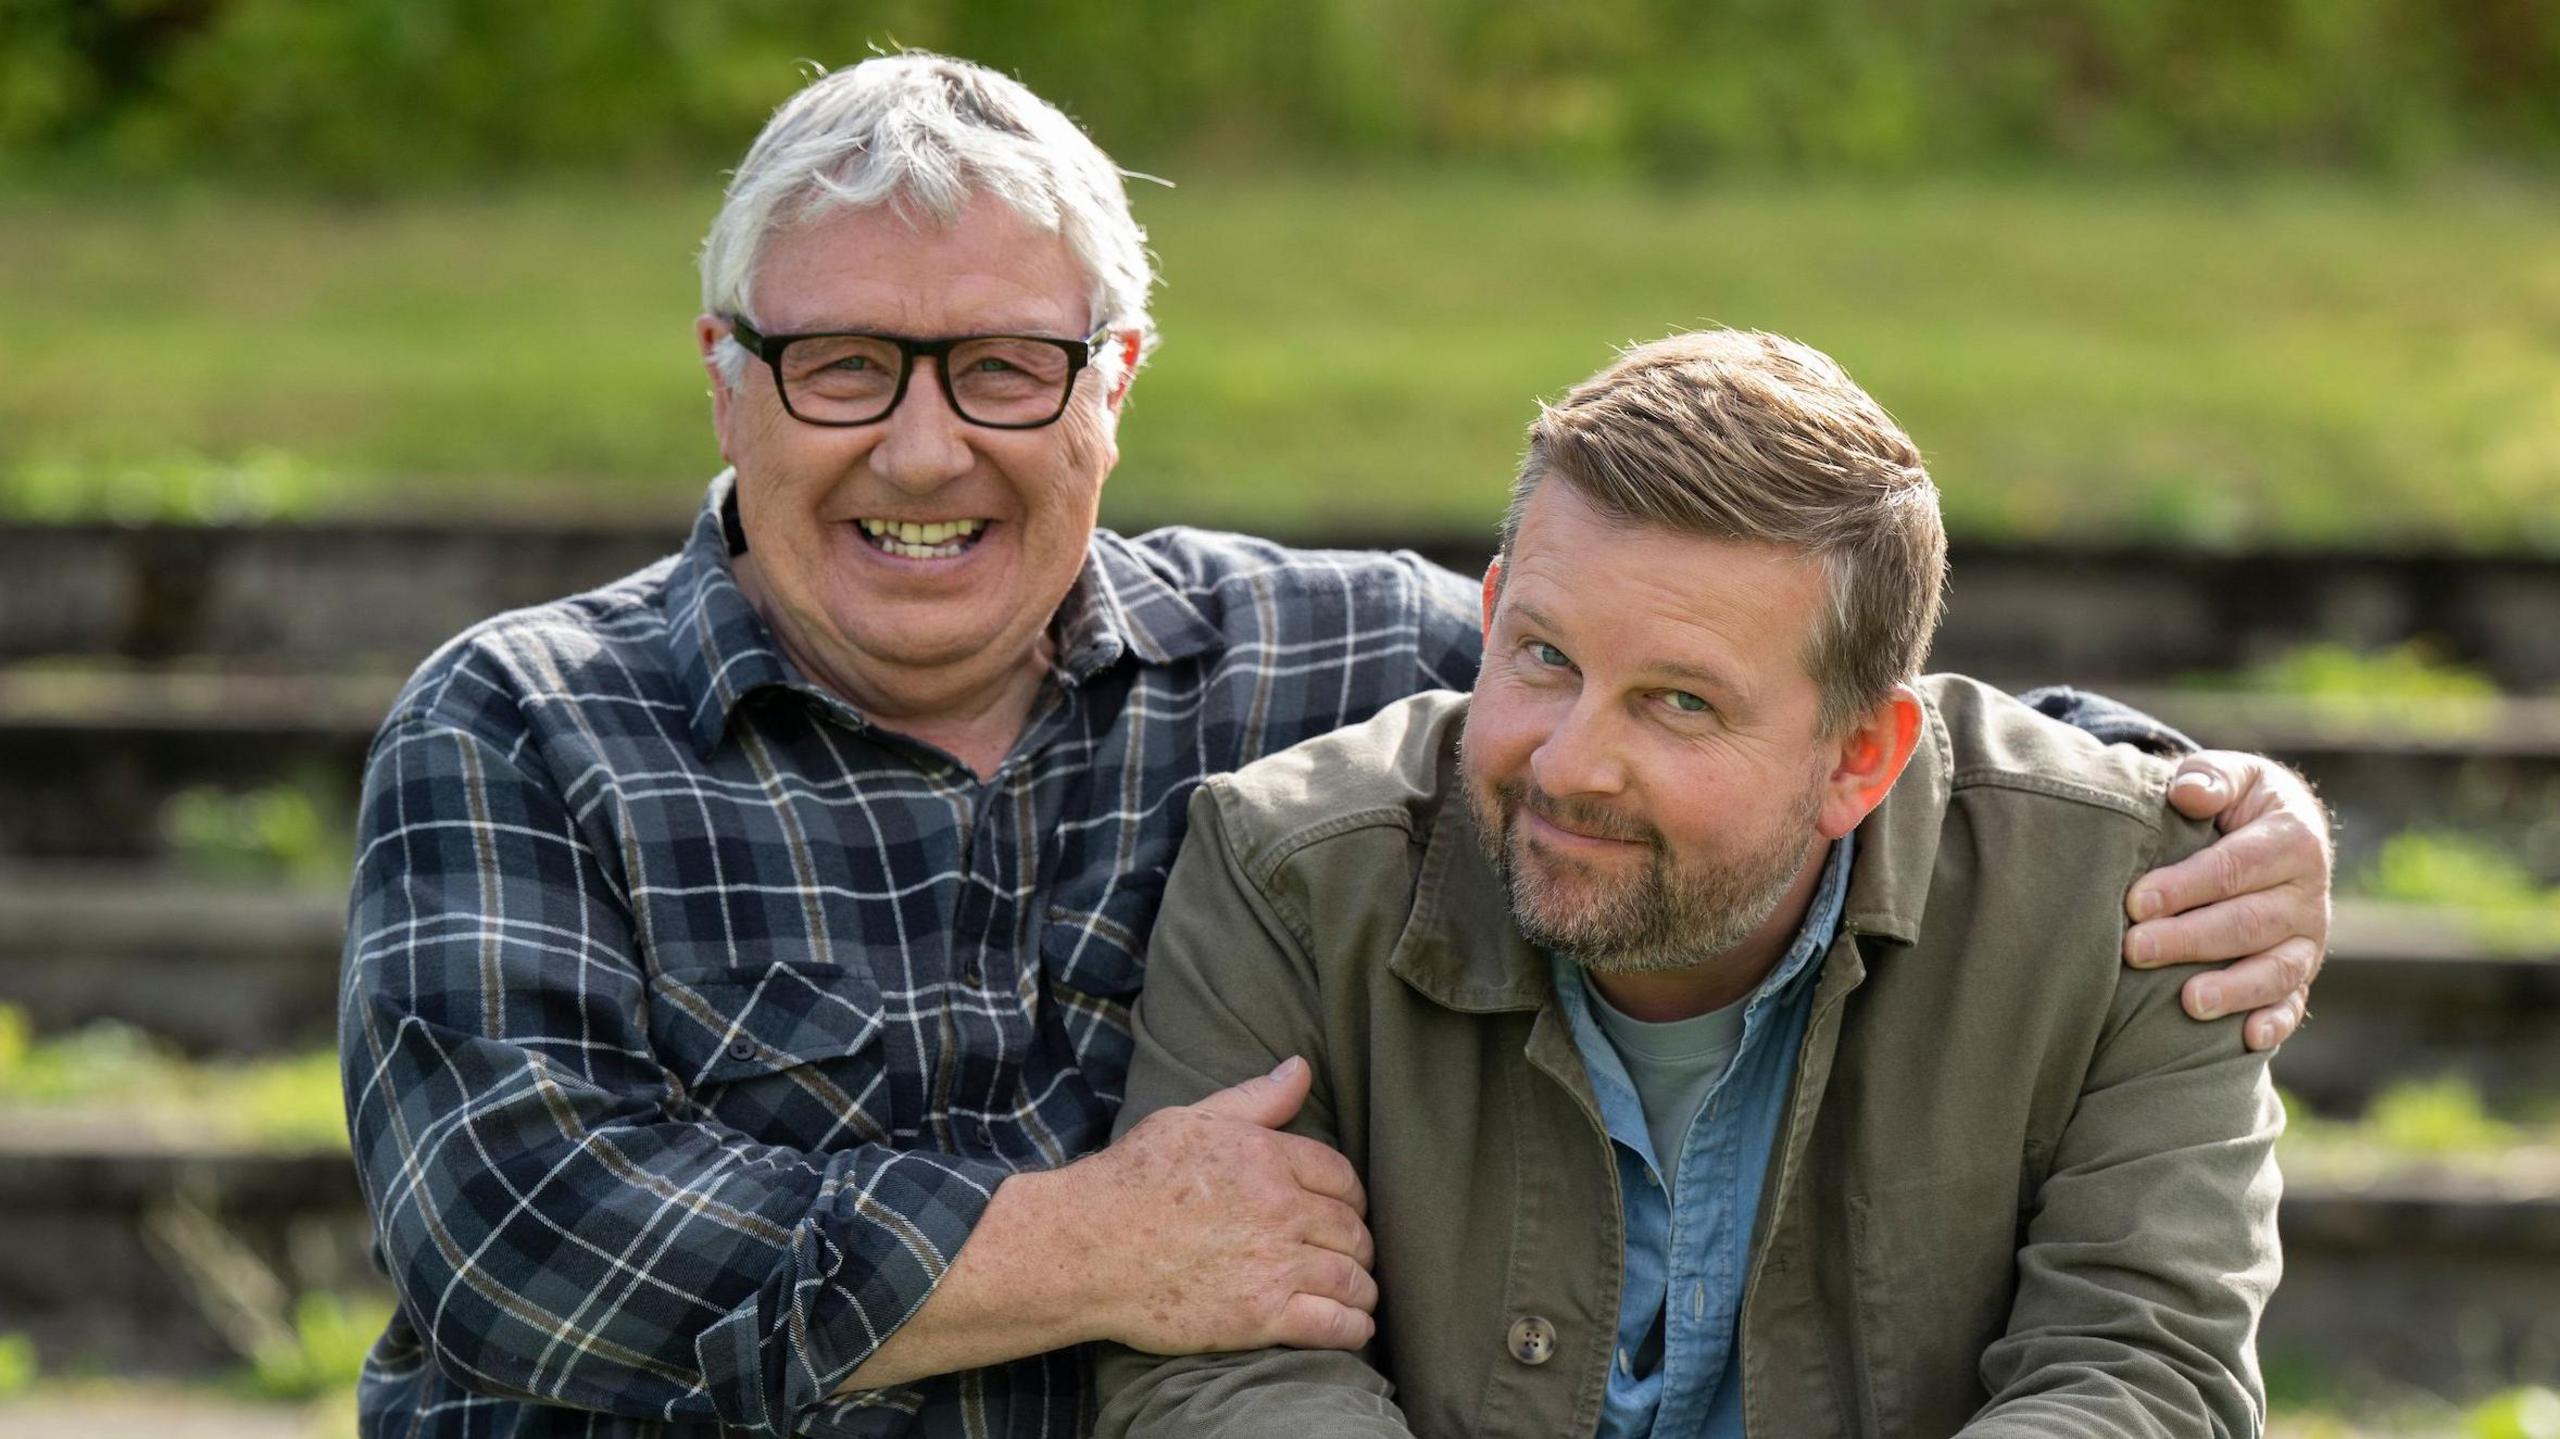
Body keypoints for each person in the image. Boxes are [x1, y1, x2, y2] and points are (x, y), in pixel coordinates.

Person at [339, 53, 2326, 1439]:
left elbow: (1729, 677)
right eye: (840, 363)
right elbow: (521, 1234)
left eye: (1006, 367)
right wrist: (1082, 1243)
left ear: (1112, 381)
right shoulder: (523, 723)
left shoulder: (1332, 649)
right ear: (726, 376)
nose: (921, 445)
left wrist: (2189, 804)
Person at [1096, 330, 2284, 1438]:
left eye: (1680, 702)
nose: (1567, 764)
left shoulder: (2142, 904)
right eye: (1545, 657)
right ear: (1494, 611)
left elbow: (2143, 1368)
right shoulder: (1283, 872)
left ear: (1861, 753)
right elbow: (1219, 1369)